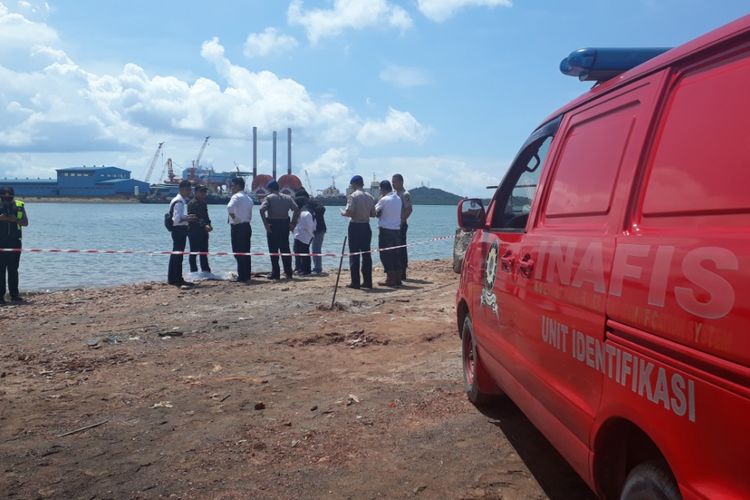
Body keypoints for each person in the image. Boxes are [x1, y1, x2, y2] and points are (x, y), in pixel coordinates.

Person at [259, 180, 299, 279]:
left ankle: (276, 273)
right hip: (285, 225)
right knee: (285, 249)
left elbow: (261, 210)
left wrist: (266, 225)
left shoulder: (269, 198)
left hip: (273, 225)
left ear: (270, 189)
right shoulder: (287, 197)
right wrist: (293, 223)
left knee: (273, 251)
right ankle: (288, 273)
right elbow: (296, 209)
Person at [341, 175, 375, 289]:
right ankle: (368, 281)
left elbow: (350, 212)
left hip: (355, 226)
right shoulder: (370, 196)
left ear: (354, 184)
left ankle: (355, 282)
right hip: (366, 226)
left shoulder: (353, 196)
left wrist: (343, 213)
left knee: (354, 255)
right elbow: (373, 214)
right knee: (366, 255)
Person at [0, 186, 29, 303]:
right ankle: (0, 297)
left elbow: (26, 223)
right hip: (0, 243)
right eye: (4, 197)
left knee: (13, 270)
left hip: (15, 242)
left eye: (9, 196)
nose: (7, 199)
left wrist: (15, 220)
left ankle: (14, 295)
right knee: (0, 270)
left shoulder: (19, 206)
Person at [167, 180, 196, 287]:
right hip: (179, 230)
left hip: (177, 230)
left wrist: (186, 218)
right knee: (178, 255)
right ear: (182, 189)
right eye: (188, 189)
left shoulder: (177, 200)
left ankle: (172, 278)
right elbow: (176, 220)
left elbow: (176, 218)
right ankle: (178, 279)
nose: (189, 192)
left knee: (175, 254)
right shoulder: (179, 201)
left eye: (190, 189)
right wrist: (188, 218)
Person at [375, 180, 403, 287]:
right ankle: (397, 278)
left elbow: (374, 211)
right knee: (396, 255)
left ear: (382, 189)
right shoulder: (398, 199)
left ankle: (390, 279)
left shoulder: (384, 199)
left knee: (385, 255)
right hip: (396, 230)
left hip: (386, 230)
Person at [227, 177, 254, 282]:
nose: (231, 187)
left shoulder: (236, 196)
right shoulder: (248, 198)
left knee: (237, 251)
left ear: (238, 186)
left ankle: (242, 276)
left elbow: (229, 207)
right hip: (247, 226)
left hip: (237, 227)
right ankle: (246, 275)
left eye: (232, 185)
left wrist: (235, 218)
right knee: (246, 252)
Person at [187, 185, 213, 275]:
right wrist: (204, 226)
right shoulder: (192, 203)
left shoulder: (204, 203)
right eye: (201, 191)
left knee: (204, 252)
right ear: (196, 192)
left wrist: (209, 225)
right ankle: (193, 272)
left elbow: (206, 217)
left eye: (204, 192)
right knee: (193, 252)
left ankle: (205, 271)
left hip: (204, 232)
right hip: (194, 231)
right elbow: (193, 218)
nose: (203, 194)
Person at [391, 174, 413, 280]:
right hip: (393, 225)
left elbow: (409, 209)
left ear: (401, 182)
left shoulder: (405, 194)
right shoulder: (395, 194)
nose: (393, 184)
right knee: (395, 249)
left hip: (401, 225)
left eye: (394, 181)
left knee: (401, 248)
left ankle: (403, 271)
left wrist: (401, 221)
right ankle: (396, 271)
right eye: (392, 181)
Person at [292, 197, 316, 276]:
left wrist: (312, 235)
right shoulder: (300, 212)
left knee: (305, 254)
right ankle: (301, 269)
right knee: (299, 253)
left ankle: (307, 270)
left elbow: (310, 226)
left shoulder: (307, 214)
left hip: (305, 237)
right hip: (298, 236)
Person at [307, 196, 327, 275]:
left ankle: (318, 268)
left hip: (318, 231)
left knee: (316, 250)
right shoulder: (319, 210)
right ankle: (317, 267)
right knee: (316, 249)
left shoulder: (315, 211)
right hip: (320, 230)